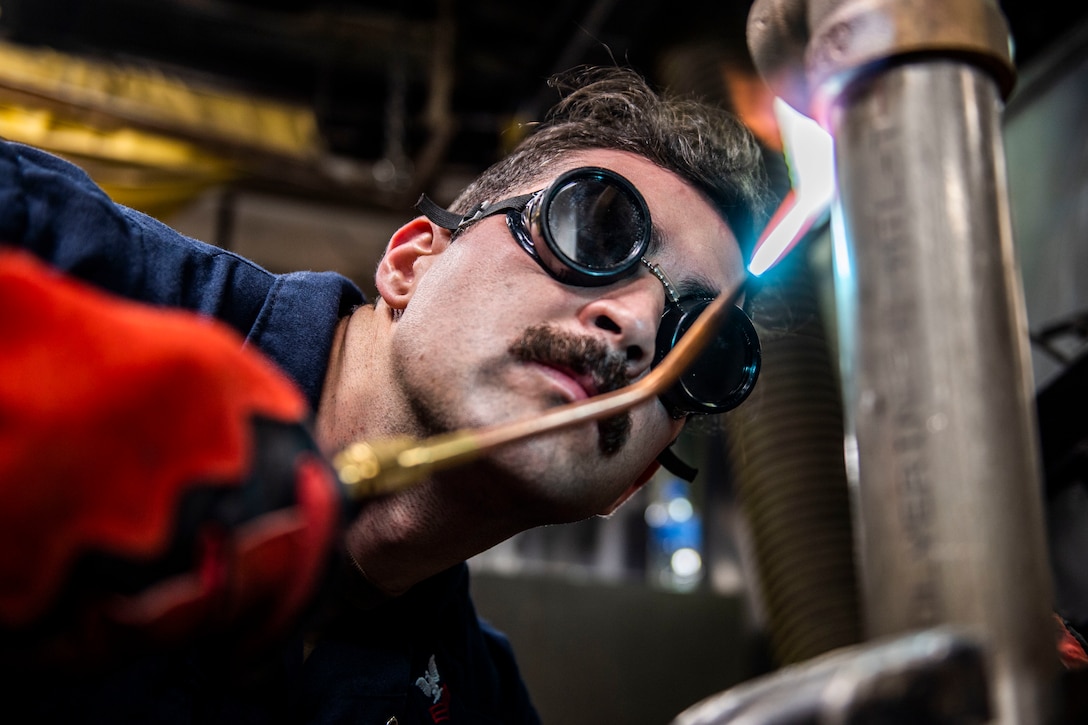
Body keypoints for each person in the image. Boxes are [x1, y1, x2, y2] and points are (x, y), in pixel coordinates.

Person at [0, 64, 772, 722]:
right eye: (595, 233)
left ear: (634, 480)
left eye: (698, 344)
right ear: (411, 263)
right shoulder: (57, 250)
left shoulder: (475, 702)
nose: (635, 326)